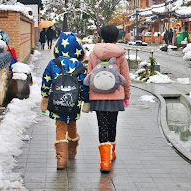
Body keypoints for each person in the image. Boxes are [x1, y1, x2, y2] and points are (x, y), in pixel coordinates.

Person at [85, 24, 131, 172]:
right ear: (116, 37)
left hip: (98, 97)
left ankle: (105, 162)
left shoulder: (94, 53)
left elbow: (89, 75)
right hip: (115, 96)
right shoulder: (120, 54)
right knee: (112, 124)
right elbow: (126, 77)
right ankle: (111, 152)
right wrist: (127, 95)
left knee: (102, 125)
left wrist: (87, 97)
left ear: (102, 36)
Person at [40, 32, 89, 169]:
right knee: (72, 124)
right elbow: (84, 85)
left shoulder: (53, 63)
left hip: (57, 102)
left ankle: (61, 160)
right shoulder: (80, 66)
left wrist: (44, 97)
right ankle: (72, 152)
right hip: (73, 103)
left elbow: (46, 81)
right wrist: (86, 101)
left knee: (60, 127)